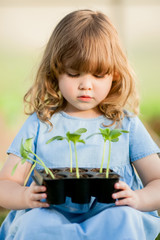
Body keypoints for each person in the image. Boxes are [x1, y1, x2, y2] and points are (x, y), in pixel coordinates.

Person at [0, 9, 160, 240]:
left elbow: (157, 180)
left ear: (114, 75)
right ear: (56, 73)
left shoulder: (125, 124)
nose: (86, 85)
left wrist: (140, 198)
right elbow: (6, 183)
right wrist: (25, 196)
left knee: (123, 217)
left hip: (110, 213)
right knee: (36, 222)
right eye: (74, 73)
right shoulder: (41, 122)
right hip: (51, 214)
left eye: (98, 75)